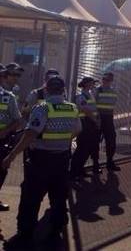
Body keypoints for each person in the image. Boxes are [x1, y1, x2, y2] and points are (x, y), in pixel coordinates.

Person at [2, 76, 81, 249]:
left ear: (46, 89)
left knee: (31, 197)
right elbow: (77, 130)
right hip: (61, 160)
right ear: (63, 90)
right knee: (59, 197)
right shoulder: (72, 108)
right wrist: (62, 142)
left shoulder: (43, 108)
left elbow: (30, 134)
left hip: (40, 160)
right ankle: (56, 230)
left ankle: (26, 233)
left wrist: (11, 156)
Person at [0, 64, 22, 211]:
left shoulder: (8, 97)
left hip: (1, 140)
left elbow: (17, 121)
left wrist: (5, 131)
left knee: (1, 170)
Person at [70, 76, 101, 181]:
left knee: (87, 149)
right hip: (85, 124)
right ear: (87, 84)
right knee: (81, 149)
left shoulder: (90, 95)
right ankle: (73, 173)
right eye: (92, 83)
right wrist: (95, 121)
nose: (94, 85)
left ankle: (80, 170)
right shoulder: (81, 96)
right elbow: (86, 111)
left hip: (90, 124)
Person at [95, 71, 120, 172]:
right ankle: (95, 164)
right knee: (96, 141)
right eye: (104, 79)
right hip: (99, 118)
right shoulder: (97, 90)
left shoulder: (113, 91)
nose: (106, 81)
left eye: (109, 79)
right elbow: (93, 105)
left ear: (111, 81)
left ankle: (110, 162)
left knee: (111, 140)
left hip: (109, 118)